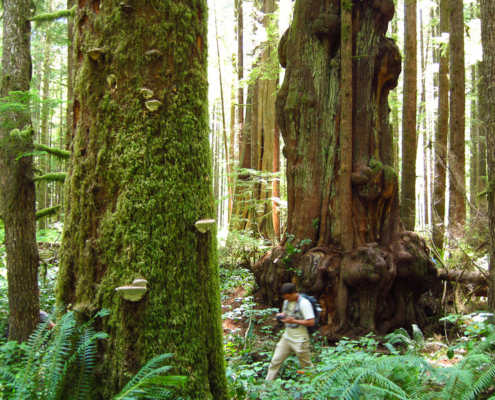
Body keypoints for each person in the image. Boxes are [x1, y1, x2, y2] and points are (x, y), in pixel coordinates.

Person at [266, 283, 315, 381]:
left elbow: (311, 322)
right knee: (275, 362)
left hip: (300, 340)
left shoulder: (304, 303)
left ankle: (315, 387)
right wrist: (281, 316)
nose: (286, 299)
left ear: (294, 293)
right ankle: (266, 389)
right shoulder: (287, 302)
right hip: (287, 338)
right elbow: (286, 313)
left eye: (287, 297)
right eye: (284, 297)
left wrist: (294, 321)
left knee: (306, 366)